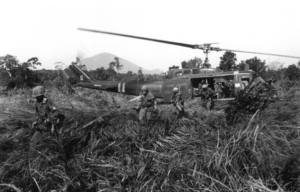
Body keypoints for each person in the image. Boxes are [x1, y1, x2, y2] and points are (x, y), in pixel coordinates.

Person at [29, 86, 64, 153]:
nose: (36, 98)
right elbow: (37, 113)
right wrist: (35, 121)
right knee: (33, 142)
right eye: (35, 97)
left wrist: (48, 119)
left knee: (53, 144)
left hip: (50, 126)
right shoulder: (37, 103)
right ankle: (31, 158)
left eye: (37, 96)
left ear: (41, 95)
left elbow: (57, 112)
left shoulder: (48, 101)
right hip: (42, 126)